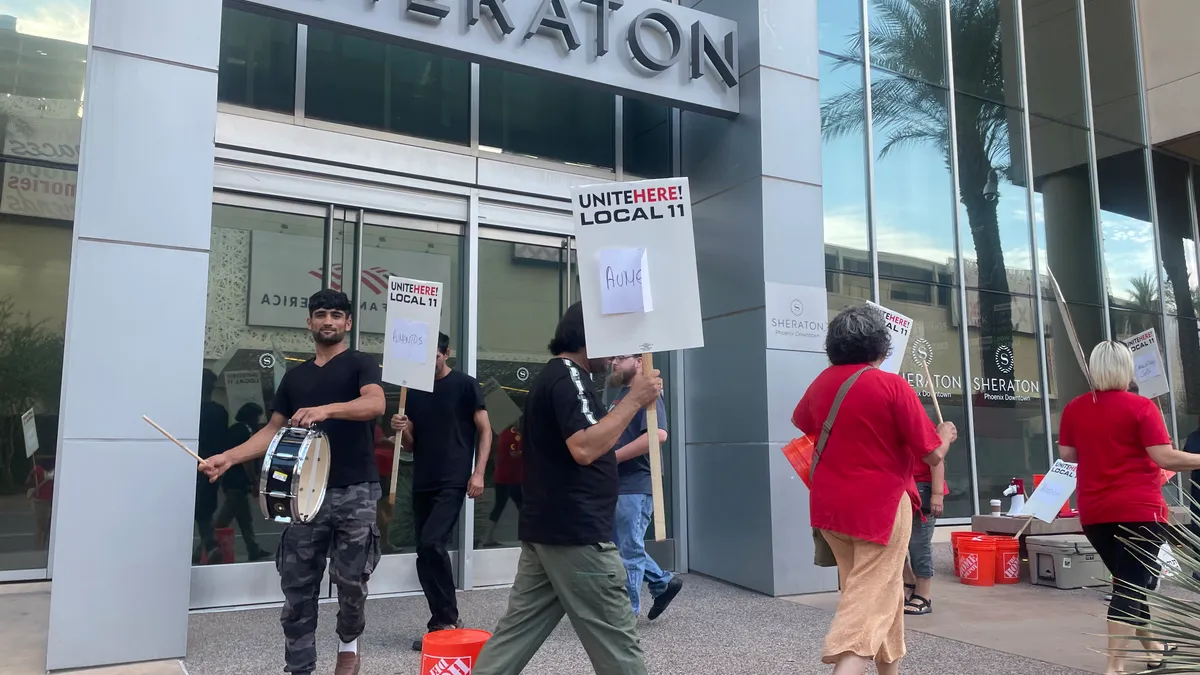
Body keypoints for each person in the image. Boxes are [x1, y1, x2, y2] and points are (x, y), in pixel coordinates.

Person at [200, 289, 385, 675]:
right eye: (321, 314)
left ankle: (348, 640)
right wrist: (228, 458)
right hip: (302, 496)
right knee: (298, 586)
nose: (328, 321)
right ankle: (299, 666)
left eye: (336, 315)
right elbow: (272, 430)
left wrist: (327, 410)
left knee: (351, 580)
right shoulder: (296, 377)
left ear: (348, 323)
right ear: (309, 322)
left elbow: (375, 404)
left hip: (356, 490)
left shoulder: (360, 364)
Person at [471, 302, 662, 675]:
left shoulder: (558, 377)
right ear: (588, 338)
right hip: (577, 533)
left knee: (514, 636)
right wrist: (635, 400)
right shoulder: (568, 377)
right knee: (617, 641)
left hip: (551, 532)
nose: (617, 355)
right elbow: (585, 447)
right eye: (613, 342)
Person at [792, 305, 955, 675]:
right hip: (880, 508)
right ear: (881, 345)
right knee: (865, 607)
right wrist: (944, 437)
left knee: (882, 593)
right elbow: (931, 455)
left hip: (830, 506)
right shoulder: (892, 385)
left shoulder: (823, 381)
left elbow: (805, 424)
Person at [1058, 340, 1200, 675]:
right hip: (1139, 510)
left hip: (1095, 512)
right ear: (1126, 369)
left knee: (1127, 582)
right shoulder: (1142, 407)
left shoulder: (1075, 408)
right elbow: (1164, 457)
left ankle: (1153, 651)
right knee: (1129, 586)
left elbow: (1067, 454)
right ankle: (1115, 666)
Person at [391, 332, 492, 651]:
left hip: (453, 478)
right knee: (424, 550)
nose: (427, 362)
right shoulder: (415, 392)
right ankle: (440, 621)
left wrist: (478, 473)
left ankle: (448, 617)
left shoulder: (465, 384)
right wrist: (402, 427)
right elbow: (411, 444)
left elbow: (486, 430)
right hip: (424, 478)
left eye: (433, 356)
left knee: (433, 542)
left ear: (446, 353)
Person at [607, 354, 683, 619]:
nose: (613, 363)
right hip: (619, 484)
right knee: (621, 547)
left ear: (639, 361)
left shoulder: (648, 394)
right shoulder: (623, 396)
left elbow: (657, 435)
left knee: (627, 550)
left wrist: (611, 458)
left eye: (620, 357)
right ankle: (662, 582)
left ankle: (627, 615)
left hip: (636, 483)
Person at [215, 402, 270, 562]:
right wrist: (253, 480)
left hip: (232, 481)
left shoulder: (234, 430)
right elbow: (247, 460)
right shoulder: (245, 431)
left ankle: (253, 548)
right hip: (238, 483)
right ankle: (208, 545)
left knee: (243, 518)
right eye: (257, 417)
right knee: (226, 519)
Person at [902, 447, 945, 615]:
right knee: (893, 542)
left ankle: (924, 594)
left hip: (921, 488)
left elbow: (937, 459)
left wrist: (937, 494)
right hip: (899, 486)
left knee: (919, 543)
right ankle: (909, 582)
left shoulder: (921, 424)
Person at [194, 369, 229, 564]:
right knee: (204, 510)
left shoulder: (197, 411)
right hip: (211, 466)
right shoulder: (219, 412)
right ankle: (205, 547)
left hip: (200, 465)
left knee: (200, 511)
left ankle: (208, 545)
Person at [480, 418, 524, 548]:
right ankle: (528, 538)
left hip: (505, 477)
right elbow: (514, 453)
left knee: (501, 507)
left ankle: (487, 537)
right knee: (522, 507)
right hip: (510, 478)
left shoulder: (505, 434)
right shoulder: (513, 435)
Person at [25, 454, 54, 550]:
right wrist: (32, 475)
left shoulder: (54, 470)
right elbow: (28, 482)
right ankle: (39, 547)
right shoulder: (38, 470)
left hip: (49, 500)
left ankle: (42, 546)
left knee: (46, 527)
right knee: (42, 526)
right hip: (39, 500)